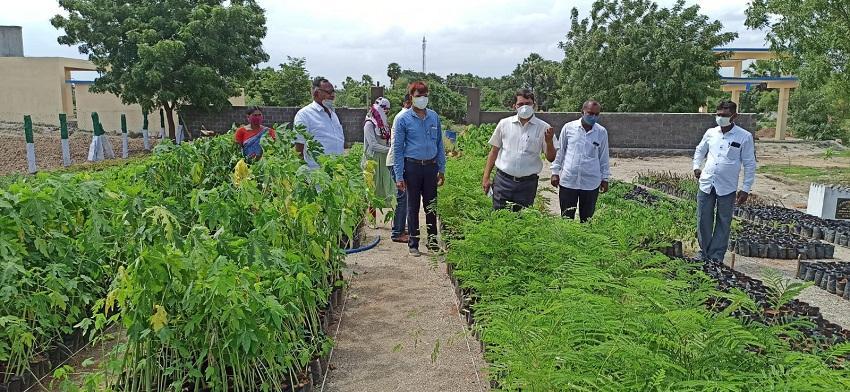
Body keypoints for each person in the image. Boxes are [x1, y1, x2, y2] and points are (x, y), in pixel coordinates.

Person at [693, 100, 757, 262]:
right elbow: (700, 150)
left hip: (727, 186)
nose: (720, 118)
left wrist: (745, 188)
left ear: (734, 116)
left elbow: (749, 163)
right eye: (718, 115)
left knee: (723, 221)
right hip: (707, 182)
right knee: (703, 218)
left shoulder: (744, 136)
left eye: (725, 115)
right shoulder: (711, 133)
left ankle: (716, 255)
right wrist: (696, 167)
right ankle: (704, 252)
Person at [393, 81, 446, 257]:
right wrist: (399, 175)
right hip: (412, 167)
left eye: (424, 96)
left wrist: (442, 169)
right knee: (412, 206)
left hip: (430, 167)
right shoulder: (403, 119)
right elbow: (398, 149)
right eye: (418, 96)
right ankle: (413, 243)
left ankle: (432, 242)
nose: (422, 99)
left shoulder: (434, 117)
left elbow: (439, 143)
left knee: (431, 206)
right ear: (411, 98)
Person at [482, 89, 556, 211]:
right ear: (514, 106)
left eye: (528, 103)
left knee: (522, 223)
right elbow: (494, 151)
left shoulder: (544, 128)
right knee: (499, 219)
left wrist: (549, 143)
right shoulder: (504, 124)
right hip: (503, 182)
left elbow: (551, 157)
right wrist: (486, 178)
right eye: (521, 104)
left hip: (527, 185)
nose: (525, 107)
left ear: (534, 105)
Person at [550, 100, 610, 222]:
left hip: (590, 183)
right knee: (566, 217)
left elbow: (603, 156)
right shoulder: (569, 128)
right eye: (590, 113)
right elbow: (560, 151)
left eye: (596, 114)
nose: (593, 117)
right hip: (568, 181)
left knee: (587, 219)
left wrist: (605, 178)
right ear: (582, 112)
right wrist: (555, 172)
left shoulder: (601, 132)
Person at [294, 77, 345, 168]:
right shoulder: (304, 114)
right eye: (329, 92)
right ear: (316, 93)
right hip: (316, 173)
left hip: (336, 170)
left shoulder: (333, 114)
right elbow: (299, 146)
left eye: (333, 92)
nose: (332, 95)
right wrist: (303, 174)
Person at [363, 97, 395, 224]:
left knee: (385, 188)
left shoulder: (384, 125)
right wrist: (390, 149)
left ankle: (383, 220)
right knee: (374, 190)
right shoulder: (369, 124)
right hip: (372, 161)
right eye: (385, 110)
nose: (386, 113)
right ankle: (373, 220)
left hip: (383, 160)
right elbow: (373, 145)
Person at [388, 94, 412, 243]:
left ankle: (400, 228)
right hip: (397, 162)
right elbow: (399, 146)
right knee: (402, 198)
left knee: (404, 197)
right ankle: (397, 232)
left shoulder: (404, 116)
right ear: (408, 102)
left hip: (398, 161)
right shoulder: (404, 117)